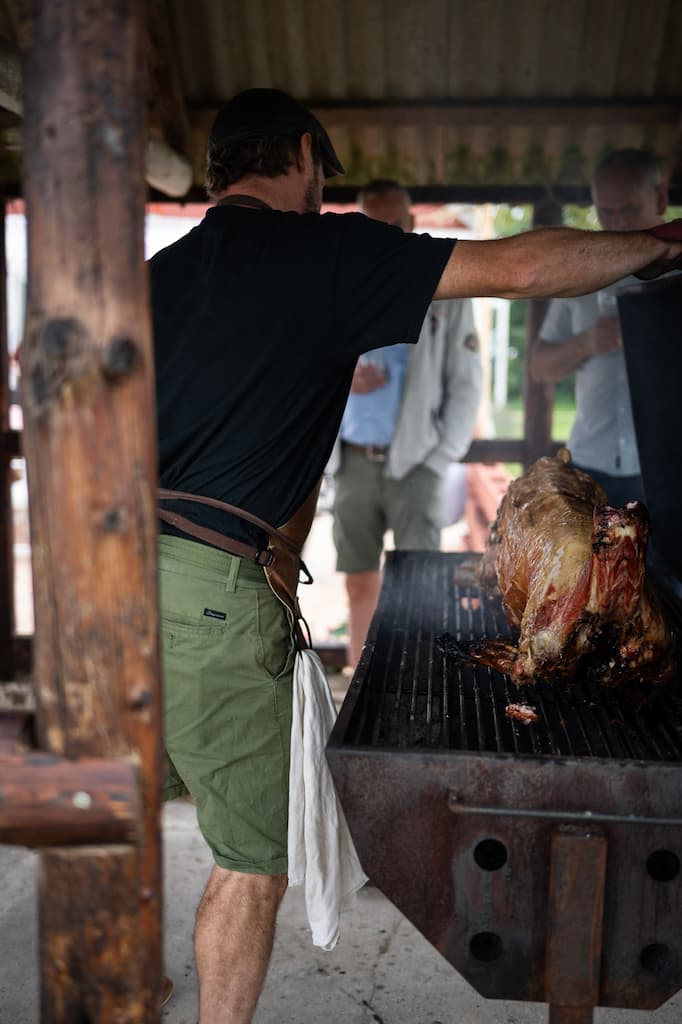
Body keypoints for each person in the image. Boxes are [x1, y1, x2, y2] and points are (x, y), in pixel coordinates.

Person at [149, 88, 682, 1024]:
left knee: (130, 805)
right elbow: (521, 269)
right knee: (248, 862)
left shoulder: (161, 274)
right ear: (307, 158)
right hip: (213, 598)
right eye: (324, 173)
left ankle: (128, 977)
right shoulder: (324, 251)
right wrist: (666, 243)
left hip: (118, 585)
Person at [330, 179, 482, 668]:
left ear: (412, 224)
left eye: (392, 224)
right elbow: (302, 363)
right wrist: (340, 375)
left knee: (420, 584)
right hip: (353, 459)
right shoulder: (338, 284)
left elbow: (466, 383)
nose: (382, 234)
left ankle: (416, 678)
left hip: (416, 462)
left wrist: (439, 458)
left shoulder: (443, 287)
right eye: (372, 224)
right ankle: (359, 678)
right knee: (358, 581)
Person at [529, 148, 670, 507]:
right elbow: (539, 367)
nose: (619, 223)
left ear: (661, 198)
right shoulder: (580, 277)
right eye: (607, 212)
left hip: (667, 463)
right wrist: (586, 343)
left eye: (629, 210)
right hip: (590, 461)